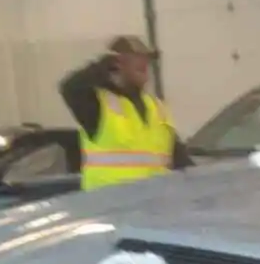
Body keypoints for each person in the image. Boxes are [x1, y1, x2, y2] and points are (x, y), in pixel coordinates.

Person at [59, 35, 185, 191]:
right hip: (108, 208)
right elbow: (70, 87)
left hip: (153, 207)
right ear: (115, 65)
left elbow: (181, 162)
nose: (144, 63)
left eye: (147, 59)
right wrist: (101, 67)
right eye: (135, 58)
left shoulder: (156, 107)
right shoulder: (97, 105)